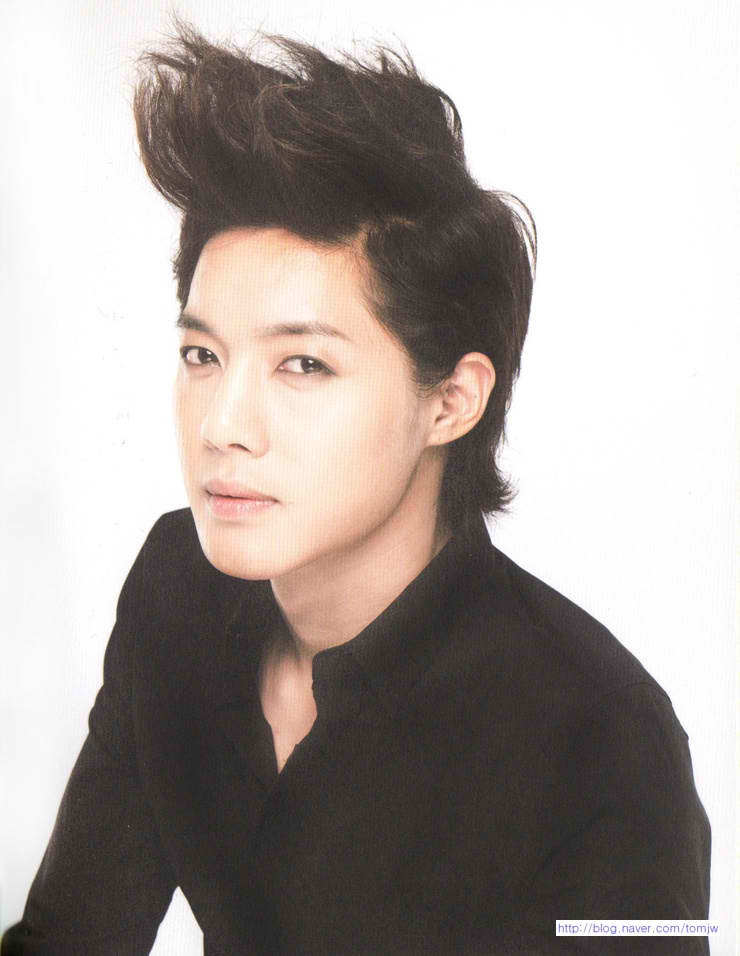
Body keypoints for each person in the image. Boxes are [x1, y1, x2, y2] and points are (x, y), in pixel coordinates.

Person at [2, 22, 710, 956]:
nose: (222, 424)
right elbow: (68, 939)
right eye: (202, 355)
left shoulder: (604, 740)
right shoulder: (177, 589)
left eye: (303, 364)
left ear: (451, 401)